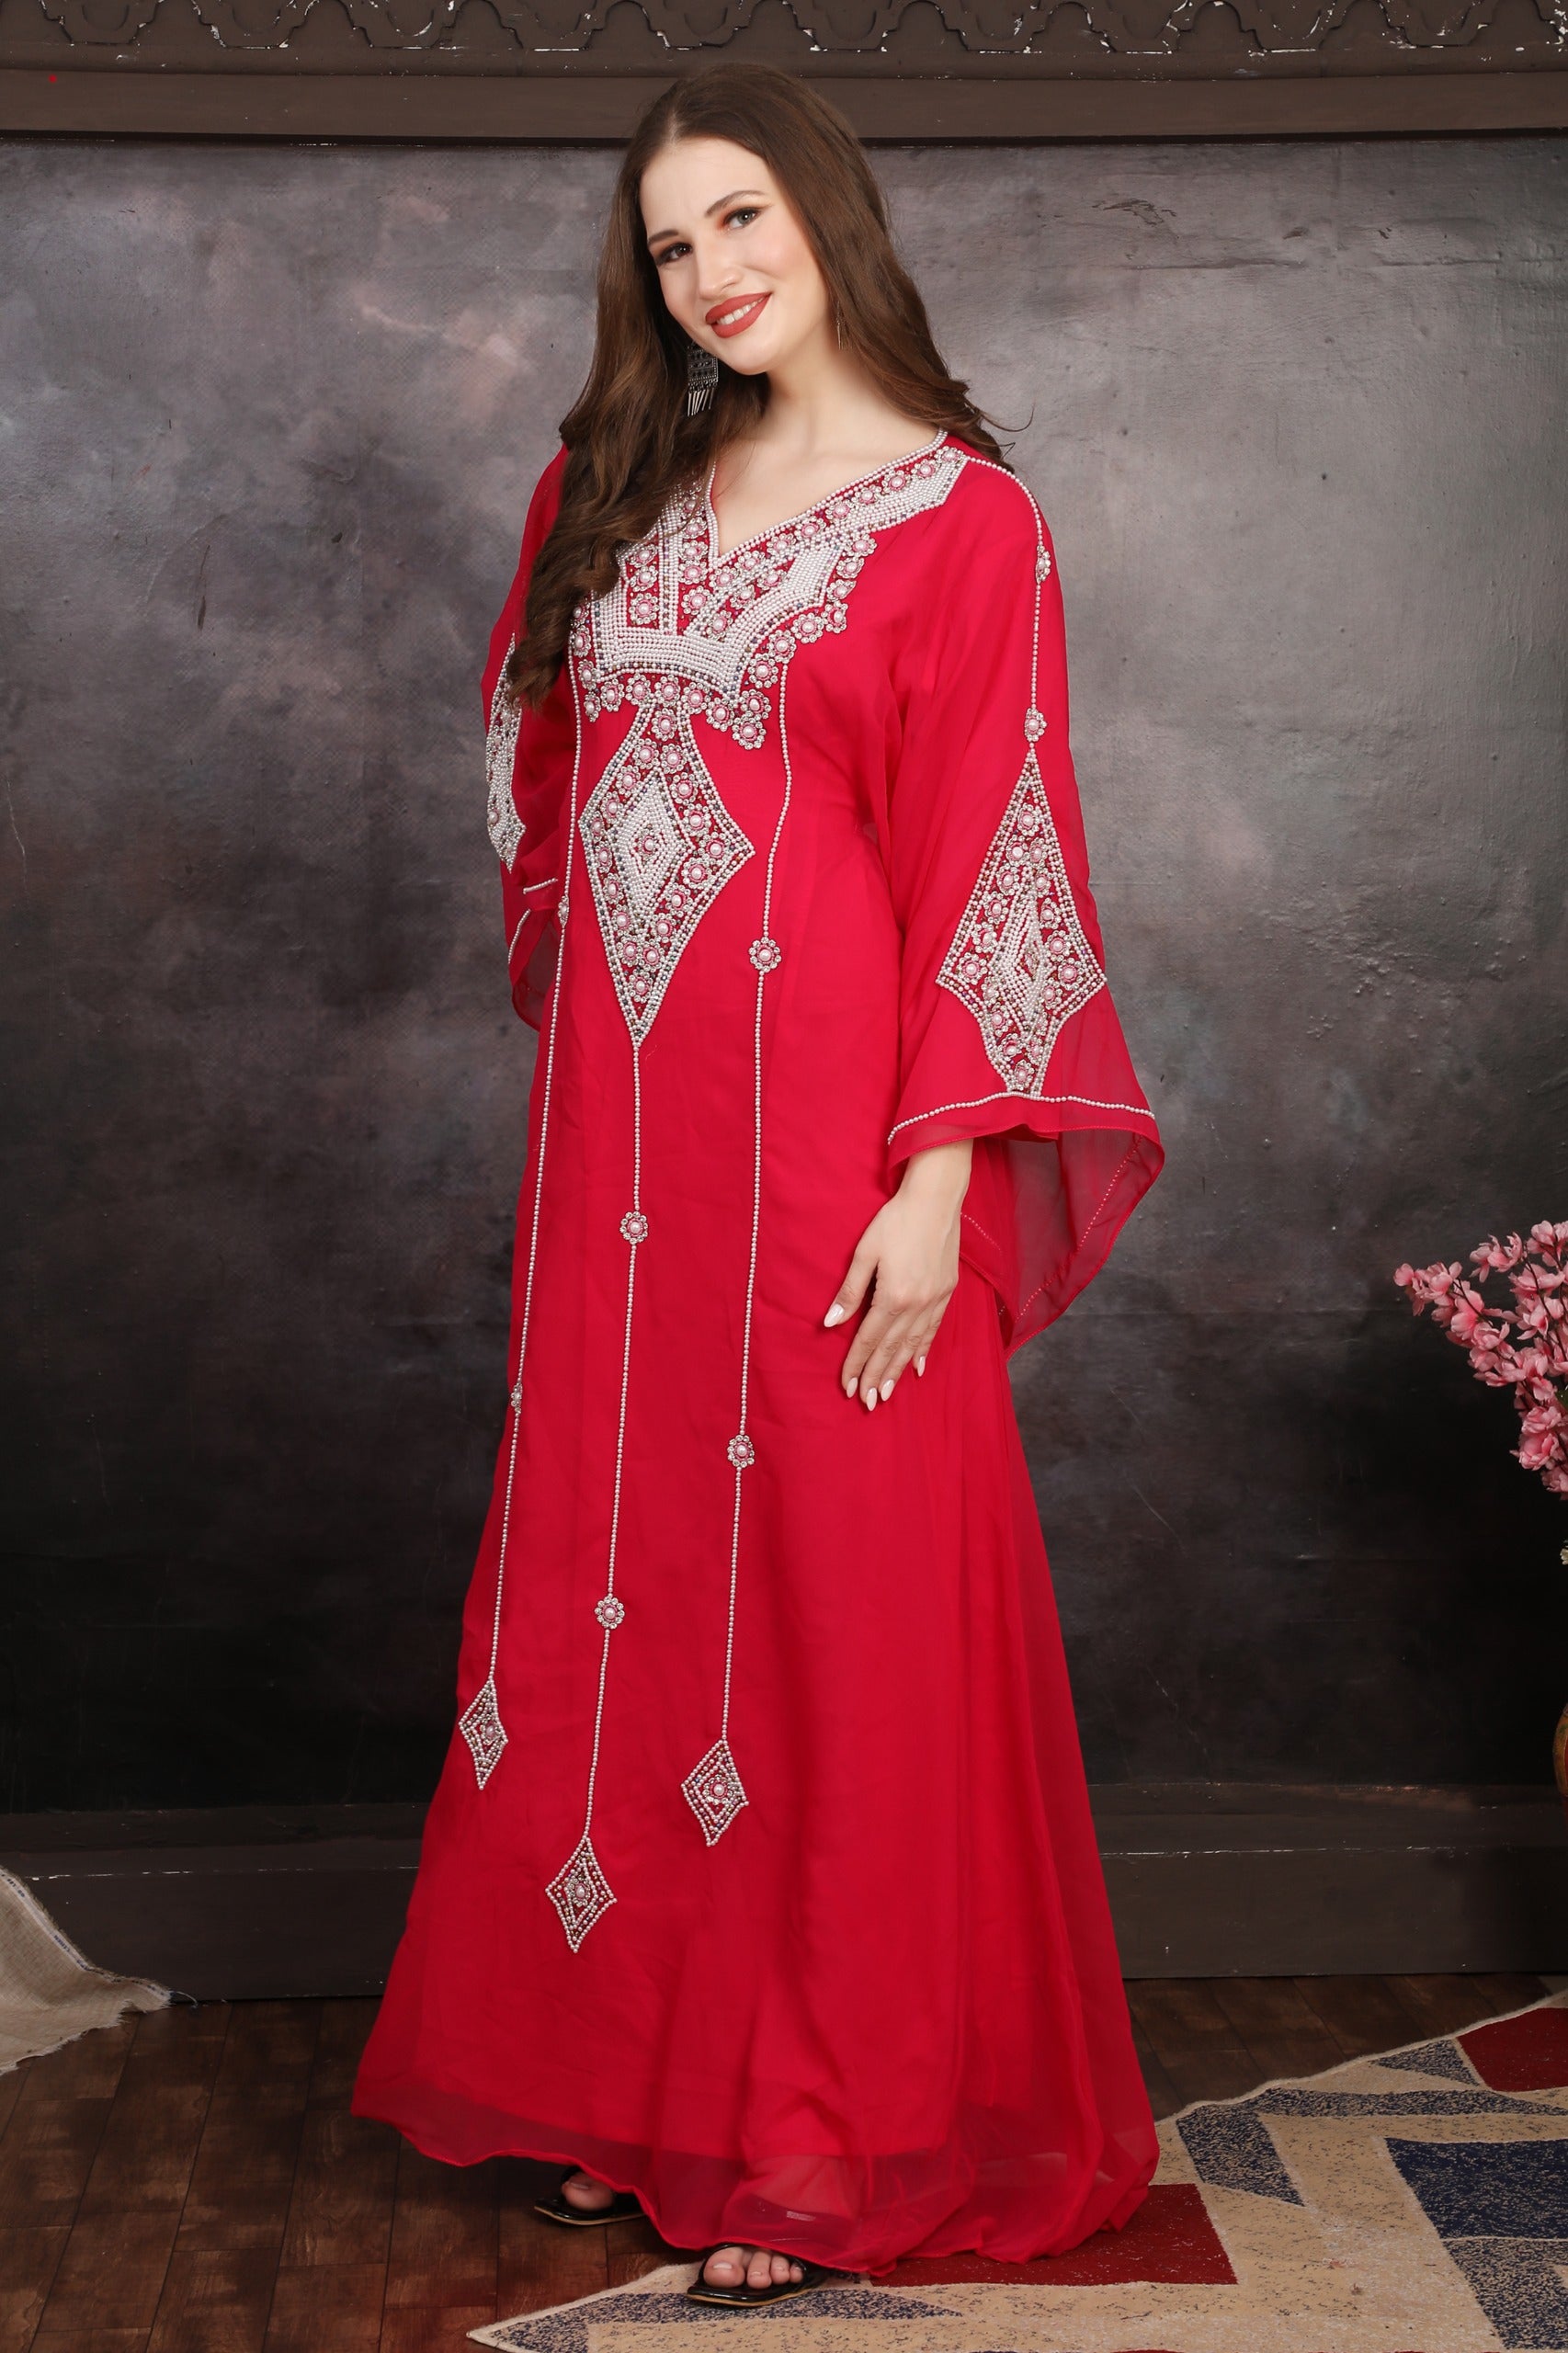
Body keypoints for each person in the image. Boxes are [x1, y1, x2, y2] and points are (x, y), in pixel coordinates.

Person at [351, 60, 1165, 2310]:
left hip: (835, 1156)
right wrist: (609, 961)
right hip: (627, 1154)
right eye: (668, 242)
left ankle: (814, 2134)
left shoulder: (962, 523)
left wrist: (943, 1175)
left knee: (824, 1615)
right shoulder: (621, 484)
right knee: (626, 1600)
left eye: (740, 220)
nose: (709, 273)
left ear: (830, 216)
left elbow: (1001, 860)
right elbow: (536, 755)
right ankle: (641, 2093)